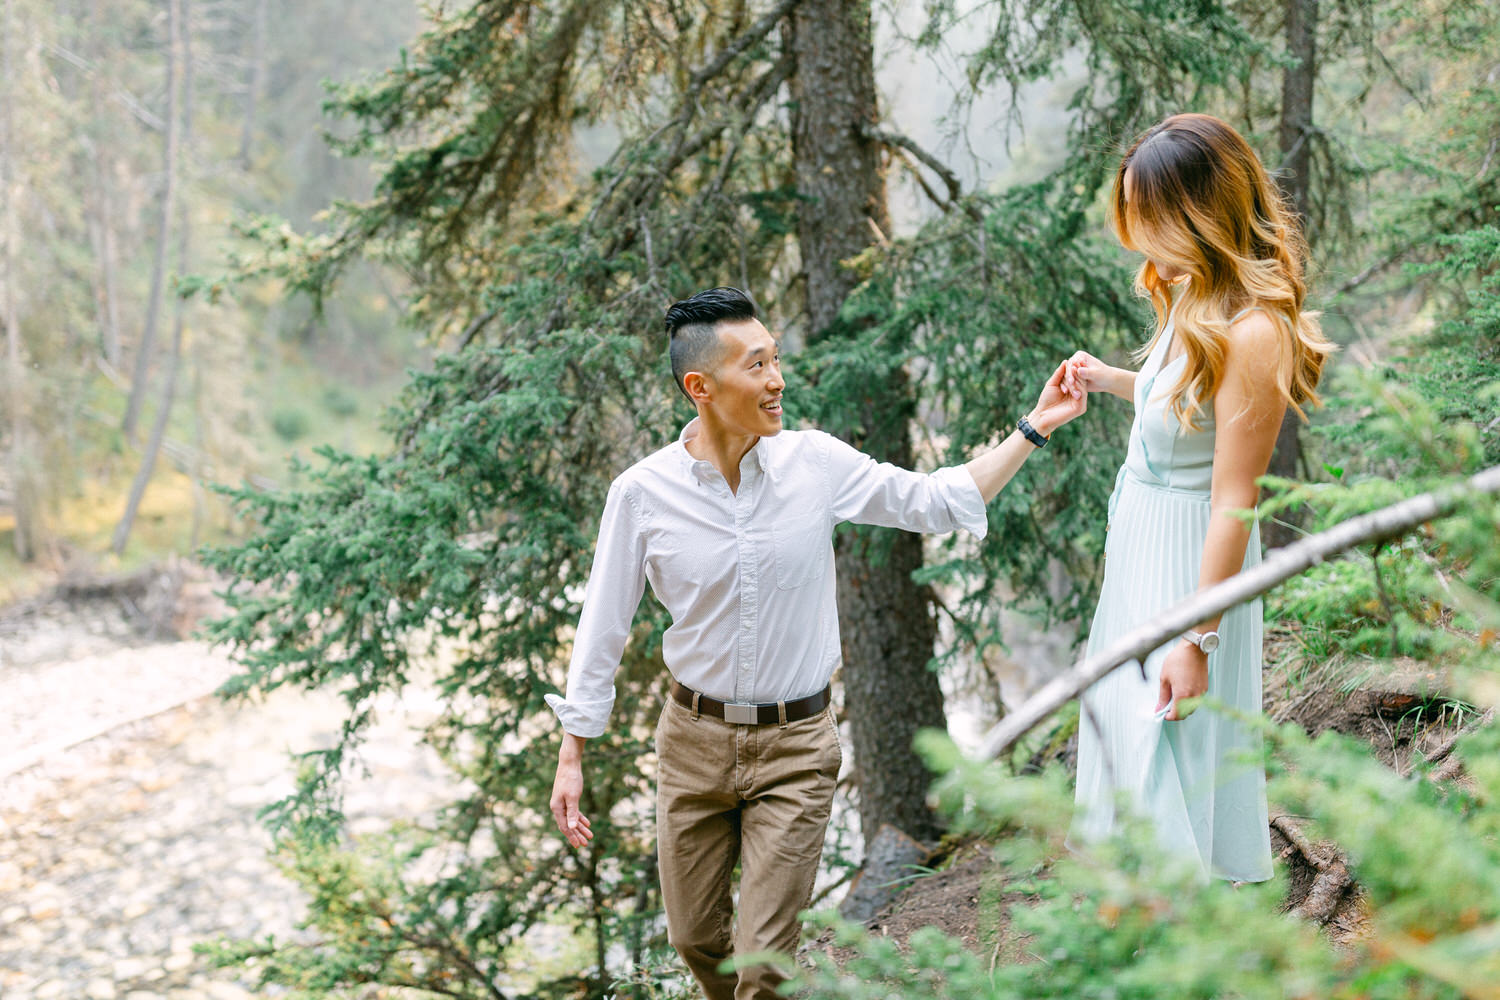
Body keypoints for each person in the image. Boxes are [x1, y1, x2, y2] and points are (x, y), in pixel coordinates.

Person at [547, 286, 1085, 998]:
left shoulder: (815, 464)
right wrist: (573, 749)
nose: (777, 381)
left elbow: (932, 499)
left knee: (763, 959)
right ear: (699, 387)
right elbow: (604, 622)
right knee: (695, 939)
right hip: (692, 743)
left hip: (797, 746)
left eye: (775, 360)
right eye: (756, 366)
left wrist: (1034, 427)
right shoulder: (642, 493)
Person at [1061, 113, 1335, 882]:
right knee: (1127, 748)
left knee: (1167, 759)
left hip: (1193, 565)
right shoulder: (1193, 292)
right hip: (1142, 550)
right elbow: (1183, 408)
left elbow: (1233, 498)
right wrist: (1112, 380)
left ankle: (1184, 952)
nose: (1140, 240)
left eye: (1150, 218)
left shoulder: (1255, 330)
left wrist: (1195, 639)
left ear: (1200, 212)